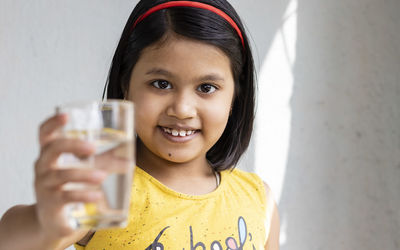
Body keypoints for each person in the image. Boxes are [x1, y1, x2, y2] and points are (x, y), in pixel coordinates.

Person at [0, 0, 280, 249]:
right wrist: (45, 224)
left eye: (206, 87)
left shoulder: (258, 200)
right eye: (161, 84)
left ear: (236, 96)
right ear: (126, 86)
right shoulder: (104, 186)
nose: (182, 109)